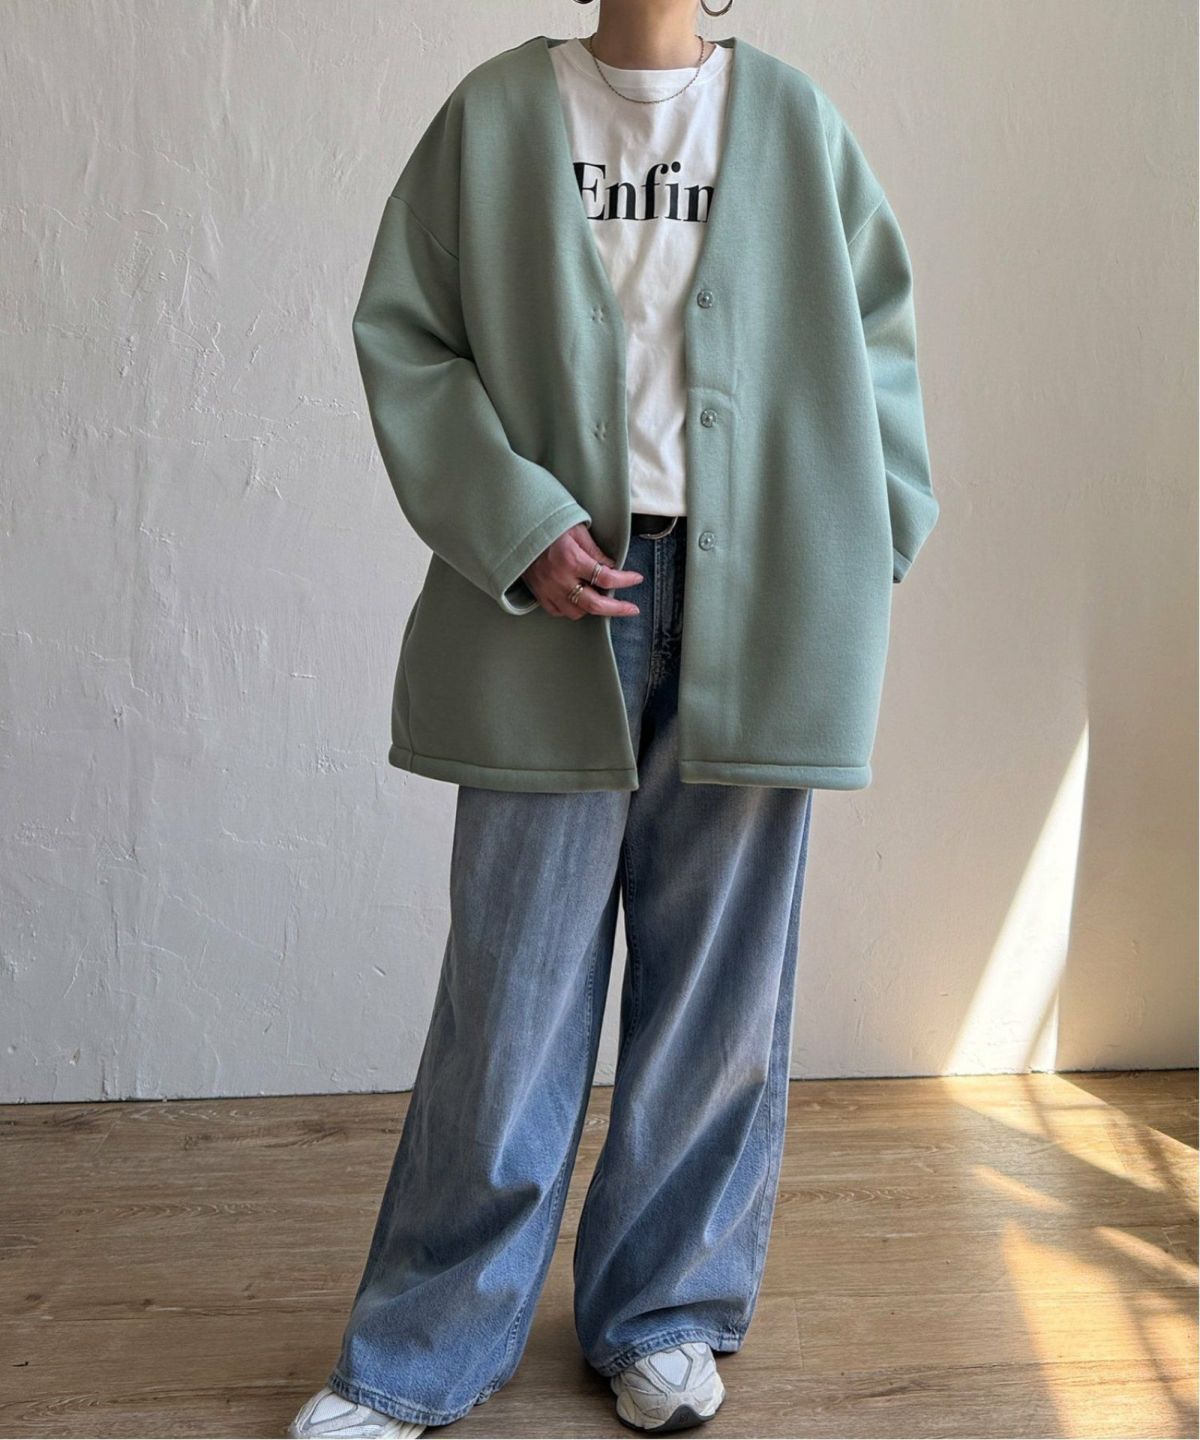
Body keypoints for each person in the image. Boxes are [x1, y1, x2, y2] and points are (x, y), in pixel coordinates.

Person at [290, 0, 938, 1435]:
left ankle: (668, 1311)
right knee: (511, 993)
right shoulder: (495, 116)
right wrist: (514, 522)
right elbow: (407, 337)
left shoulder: (792, 123)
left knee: (719, 988)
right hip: (555, 601)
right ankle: (420, 1352)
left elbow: (879, 337)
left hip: (763, 604)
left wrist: (874, 533)